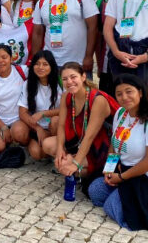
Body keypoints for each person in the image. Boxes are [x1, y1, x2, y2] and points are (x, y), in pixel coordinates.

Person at [89, 74, 148, 236]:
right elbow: (114, 145)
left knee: (112, 207)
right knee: (95, 191)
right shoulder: (121, 114)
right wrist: (109, 169)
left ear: (140, 92)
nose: (124, 97)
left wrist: (122, 178)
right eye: (119, 94)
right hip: (124, 171)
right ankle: (142, 202)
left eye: (129, 91)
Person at [45, 62, 118, 192]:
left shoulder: (97, 99)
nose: (69, 82)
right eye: (65, 79)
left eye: (73, 77)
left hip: (104, 145)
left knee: (67, 166)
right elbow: (61, 125)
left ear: (83, 77)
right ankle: (75, 164)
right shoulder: (67, 96)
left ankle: (85, 170)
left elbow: (90, 136)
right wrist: (60, 150)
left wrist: (75, 163)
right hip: (80, 140)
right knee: (48, 145)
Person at [31, 0, 99, 71]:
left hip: (77, 62)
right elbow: (37, 33)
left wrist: (88, 57)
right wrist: (37, 60)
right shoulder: (42, 3)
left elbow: (93, 28)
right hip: (50, 63)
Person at [15, 50, 63, 160]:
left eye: (45, 64)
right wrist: (38, 129)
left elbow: (66, 109)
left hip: (54, 127)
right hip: (36, 127)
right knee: (36, 153)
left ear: (52, 66)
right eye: (37, 64)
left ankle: (58, 148)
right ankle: (37, 146)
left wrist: (43, 113)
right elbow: (22, 112)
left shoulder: (60, 83)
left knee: (56, 120)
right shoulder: (29, 83)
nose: (40, 67)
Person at [95, 0, 124, 95]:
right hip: (106, 64)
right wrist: (100, 65)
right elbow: (97, 35)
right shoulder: (98, 3)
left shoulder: (131, 0)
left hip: (127, 63)